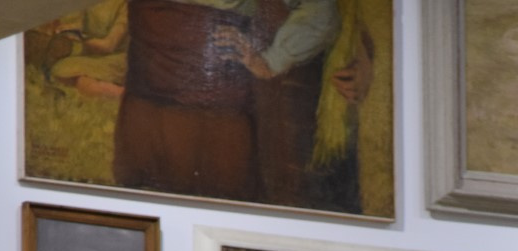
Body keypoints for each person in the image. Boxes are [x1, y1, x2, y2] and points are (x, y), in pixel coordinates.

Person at [112, 0, 372, 211]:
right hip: (145, 97)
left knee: (219, 205)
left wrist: (272, 59)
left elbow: (320, 10)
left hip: (215, 112)